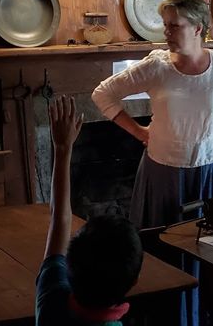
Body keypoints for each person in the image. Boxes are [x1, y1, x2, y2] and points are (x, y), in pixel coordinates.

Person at [91, 0, 213, 229]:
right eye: (165, 25)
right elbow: (103, 94)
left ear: (197, 28)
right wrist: (139, 132)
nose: (166, 32)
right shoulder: (156, 66)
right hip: (165, 171)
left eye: (174, 26)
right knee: (167, 239)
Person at [36, 95, 144, 326]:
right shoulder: (50, 291)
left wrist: (62, 148)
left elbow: (59, 220)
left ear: (70, 262)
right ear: (135, 281)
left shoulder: (51, 298)